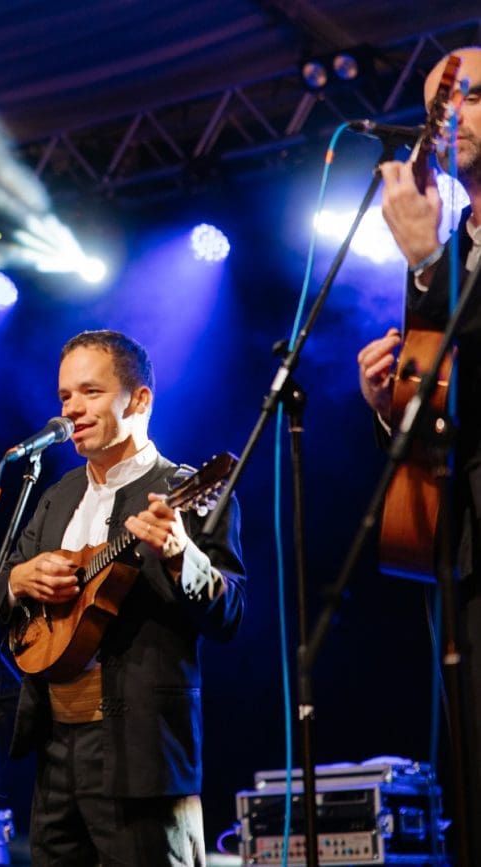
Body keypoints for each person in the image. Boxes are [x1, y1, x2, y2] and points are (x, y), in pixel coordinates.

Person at [2, 330, 246, 866]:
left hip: (142, 752)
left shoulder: (185, 489)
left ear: (139, 400)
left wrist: (181, 554)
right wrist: (19, 578)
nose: (71, 409)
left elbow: (230, 614)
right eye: (65, 396)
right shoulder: (57, 497)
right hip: (55, 747)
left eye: (90, 392)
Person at [355, 45, 481, 857]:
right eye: (440, 104)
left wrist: (428, 263)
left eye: (471, 95)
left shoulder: (433, 249)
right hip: (460, 549)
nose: (451, 115)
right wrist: (388, 405)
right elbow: (445, 394)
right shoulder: (447, 239)